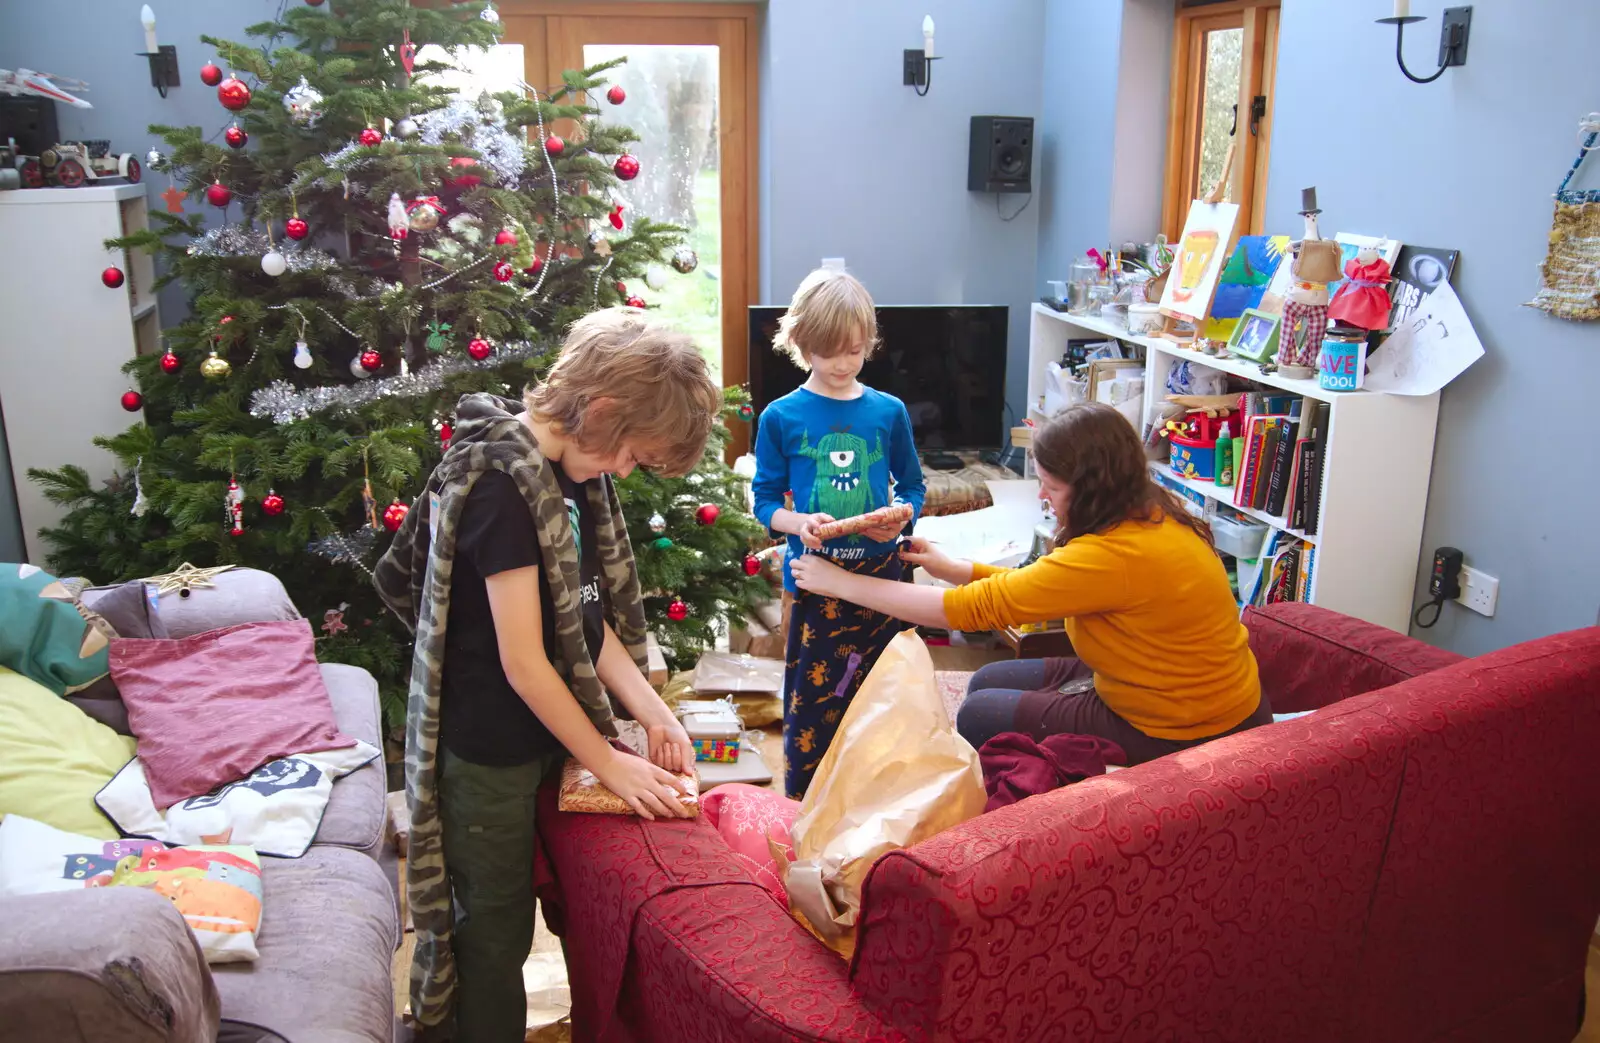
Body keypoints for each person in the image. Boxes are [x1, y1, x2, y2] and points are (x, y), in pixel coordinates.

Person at [374, 308, 721, 1042]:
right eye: (632, 454)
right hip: (489, 753)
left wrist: (653, 714)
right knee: (493, 934)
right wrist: (612, 766)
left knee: (552, 900)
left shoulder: (572, 481)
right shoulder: (503, 490)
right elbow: (527, 664)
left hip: (548, 744)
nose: (626, 472)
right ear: (599, 411)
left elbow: (588, 631)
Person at [790, 401, 1269, 767]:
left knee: (978, 714)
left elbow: (962, 611)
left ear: (1092, 486)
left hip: (1184, 726)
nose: (1042, 495)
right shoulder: (1143, 512)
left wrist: (840, 583)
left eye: (1052, 487)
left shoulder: (1115, 553)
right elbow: (1050, 585)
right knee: (985, 679)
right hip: (1165, 689)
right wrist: (957, 568)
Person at [751, 268, 926, 799]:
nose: (842, 365)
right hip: (817, 582)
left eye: (853, 351)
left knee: (888, 694)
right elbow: (763, 503)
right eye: (828, 353)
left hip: (884, 575)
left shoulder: (887, 412)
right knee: (814, 705)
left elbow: (915, 487)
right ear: (801, 343)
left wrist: (903, 515)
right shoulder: (781, 416)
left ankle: (884, 796)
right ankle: (806, 804)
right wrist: (797, 523)